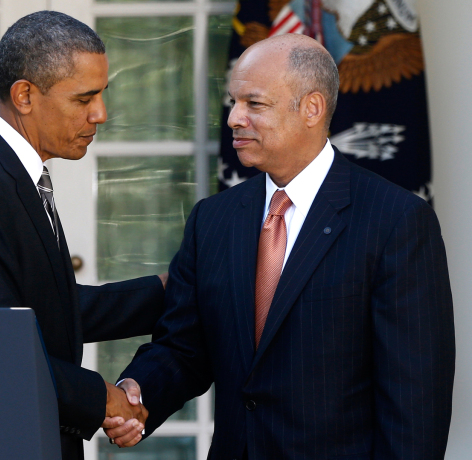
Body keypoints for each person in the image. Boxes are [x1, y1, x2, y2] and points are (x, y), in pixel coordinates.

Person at [104, 33, 456, 458]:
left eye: (254, 104)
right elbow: (184, 346)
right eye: (234, 102)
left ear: (311, 108)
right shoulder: (212, 219)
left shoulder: (396, 221)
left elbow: (414, 400)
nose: (234, 118)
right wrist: (137, 391)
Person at [0, 11, 159, 459]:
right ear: (24, 95)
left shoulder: (5, 174)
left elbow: (47, 308)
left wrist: (165, 292)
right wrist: (102, 397)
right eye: (84, 98)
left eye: (101, 95)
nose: (100, 114)